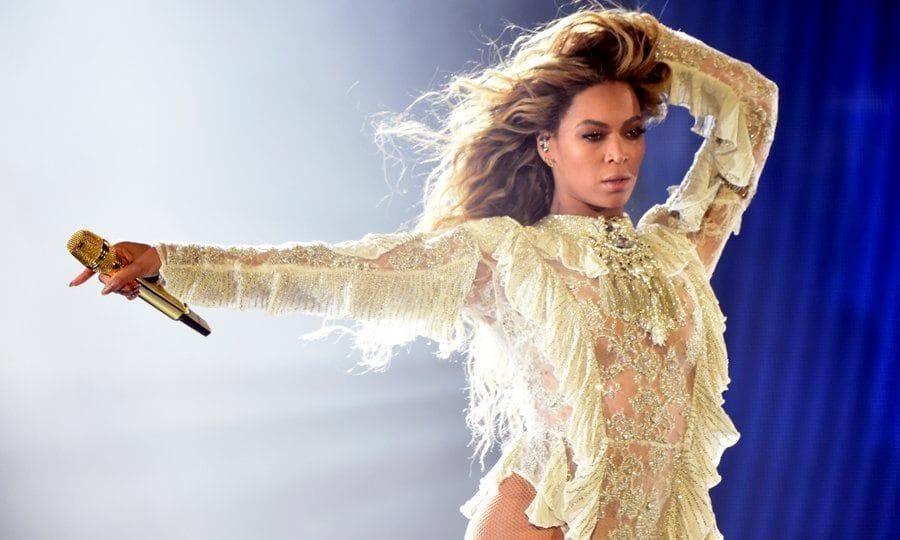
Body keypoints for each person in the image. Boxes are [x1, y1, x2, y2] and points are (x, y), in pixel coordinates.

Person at [69, 7, 777, 539]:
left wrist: (632, 37)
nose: (618, 154)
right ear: (547, 146)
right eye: (592, 134)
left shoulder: (678, 251)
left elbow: (753, 106)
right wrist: (176, 263)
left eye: (632, 131)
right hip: (543, 520)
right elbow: (331, 270)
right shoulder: (504, 251)